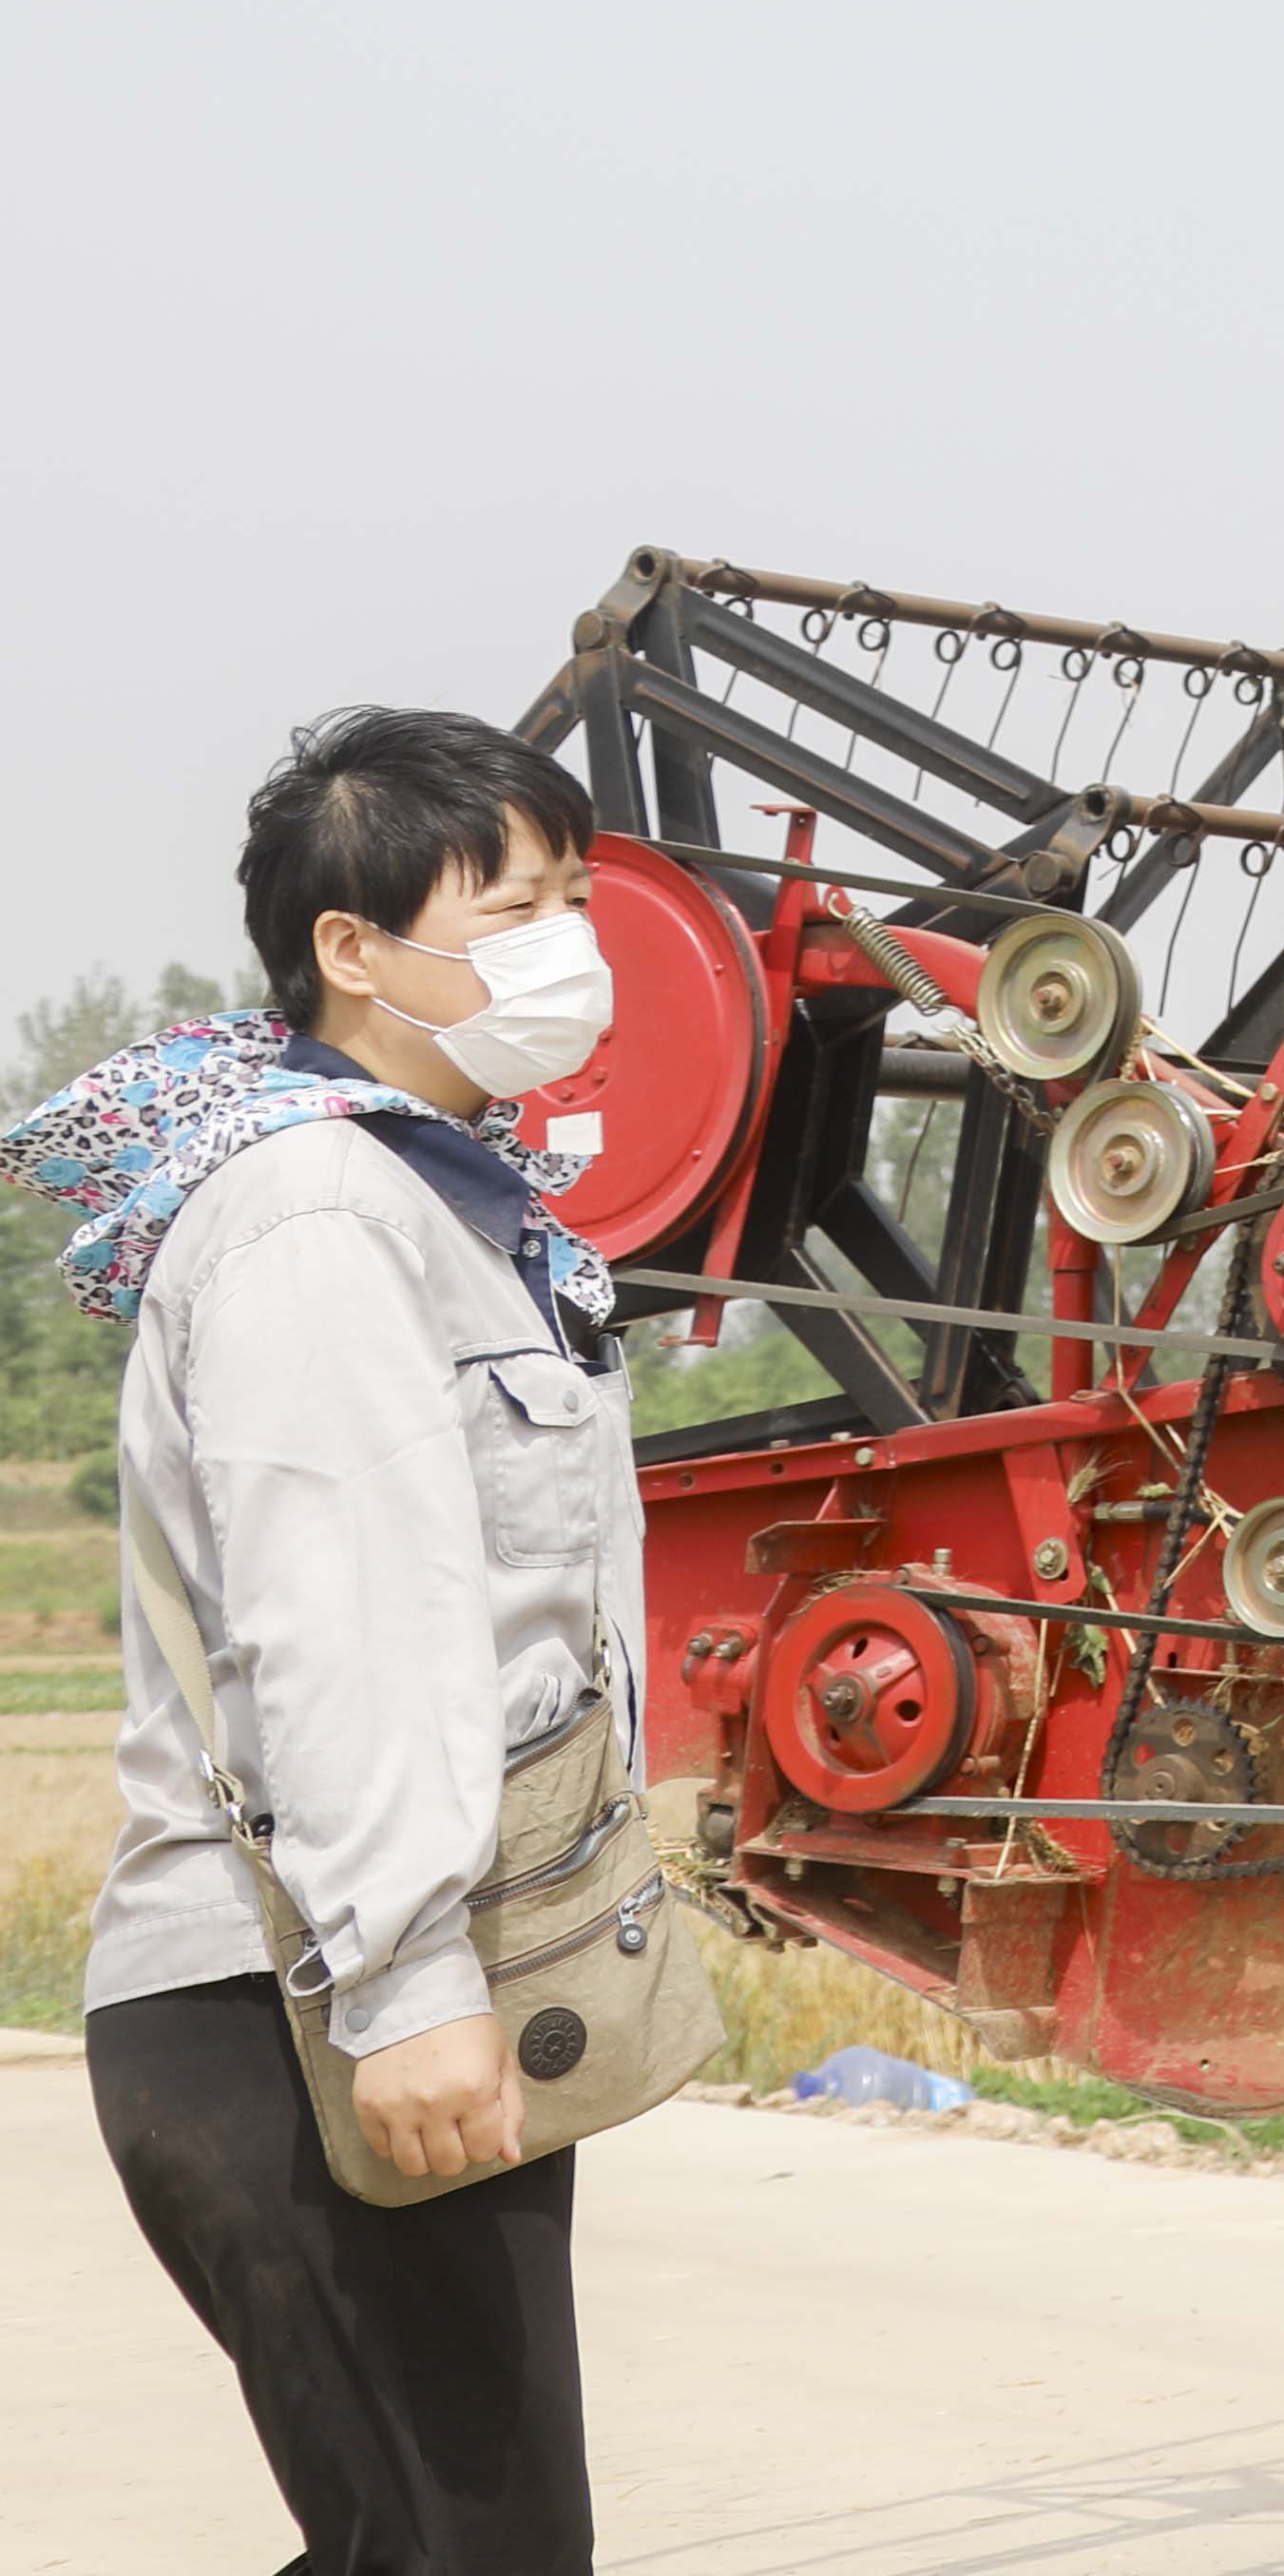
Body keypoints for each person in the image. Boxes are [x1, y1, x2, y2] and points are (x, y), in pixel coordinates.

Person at [22, 709, 641, 2575]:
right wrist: (408, 1983)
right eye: (514, 899)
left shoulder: (449, 1205)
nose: (567, 938)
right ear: (351, 948)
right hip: (292, 2002)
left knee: (432, 2538)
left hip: (353, 1983)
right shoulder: (316, 1220)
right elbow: (346, 1624)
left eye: (577, 893)